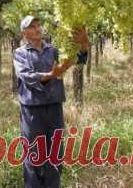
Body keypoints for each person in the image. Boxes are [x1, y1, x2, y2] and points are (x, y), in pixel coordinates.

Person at [13, 15, 89, 188]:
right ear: (24, 32)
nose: (37, 28)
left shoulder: (53, 50)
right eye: (32, 26)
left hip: (54, 108)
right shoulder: (20, 54)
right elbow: (27, 77)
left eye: (38, 25)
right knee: (33, 155)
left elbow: (79, 60)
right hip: (32, 111)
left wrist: (84, 45)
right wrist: (53, 74)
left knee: (55, 155)